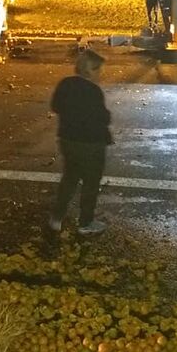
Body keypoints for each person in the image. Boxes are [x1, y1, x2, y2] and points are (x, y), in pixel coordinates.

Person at [49, 49, 113, 235]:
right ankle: (86, 222)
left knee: (69, 178)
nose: (100, 74)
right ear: (89, 70)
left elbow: (55, 106)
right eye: (98, 70)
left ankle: (57, 217)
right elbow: (102, 118)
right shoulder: (93, 91)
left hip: (68, 140)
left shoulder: (65, 84)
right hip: (91, 143)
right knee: (91, 183)